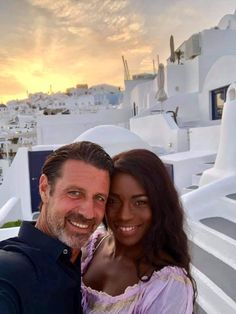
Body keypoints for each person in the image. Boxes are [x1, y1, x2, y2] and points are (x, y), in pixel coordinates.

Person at [0, 141, 113, 314]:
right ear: (45, 188)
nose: (89, 213)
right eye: (75, 193)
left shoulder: (84, 260)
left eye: (99, 198)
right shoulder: (10, 273)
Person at [82, 149, 196, 313]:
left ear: (159, 205)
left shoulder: (167, 286)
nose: (124, 215)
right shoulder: (92, 245)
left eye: (140, 202)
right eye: (113, 201)